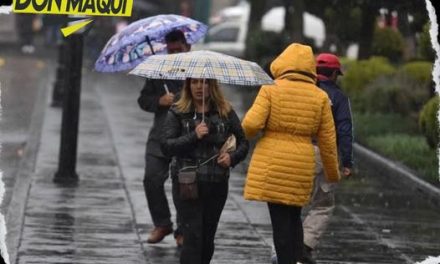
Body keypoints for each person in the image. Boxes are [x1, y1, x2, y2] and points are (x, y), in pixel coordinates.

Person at [241, 43, 341, 264]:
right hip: (302, 164)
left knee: (280, 224)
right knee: (294, 218)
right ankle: (295, 259)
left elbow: (250, 125)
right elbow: (328, 140)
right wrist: (333, 174)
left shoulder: (270, 88)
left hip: (272, 163)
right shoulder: (320, 96)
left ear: (282, 63)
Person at [161, 77, 249, 264]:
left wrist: (232, 158)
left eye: (205, 82)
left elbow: (243, 142)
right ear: (188, 86)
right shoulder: (178, 111)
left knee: (207, 237)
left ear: (213, 86)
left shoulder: (225, 111)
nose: (200, 87)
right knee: (192, 236)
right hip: (187, 183)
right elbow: (167, 146)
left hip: (216, 183)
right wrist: (194, 135)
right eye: (194, 82)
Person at [137, 30, 190, 246]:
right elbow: (143, 100)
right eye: (171, 50)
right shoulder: (157, 71)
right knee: (152, 179)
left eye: (179, 49)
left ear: (187, 47)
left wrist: (180, 100)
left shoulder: (197, 70)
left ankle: (183, 230)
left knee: (184, 185)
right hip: (159, 135)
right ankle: (162, 223)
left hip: (186, 136)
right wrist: (159, 100)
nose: (175, 53)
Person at [300, 53, 354, 264]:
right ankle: (304, 245)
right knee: (323, 203)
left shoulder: (304, 91)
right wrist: (348, 162)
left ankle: (288, 244)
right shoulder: (338, 97)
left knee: (294, 201)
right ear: (333, 74)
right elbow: (345, 130)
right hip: (325, 153)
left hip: (299, 151)